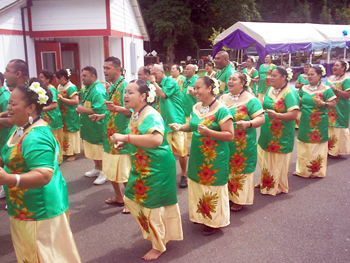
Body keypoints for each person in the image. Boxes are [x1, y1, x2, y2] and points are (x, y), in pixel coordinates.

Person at [0, 82, 81, 262]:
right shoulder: (20, 127)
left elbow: (44, 174)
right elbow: (12, 157)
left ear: (30, 108)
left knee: (45, 255)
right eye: (9, 103)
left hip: (39, 209)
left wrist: (8, 178)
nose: (8, 107)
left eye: (13, 103)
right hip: (24, 205)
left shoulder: (36, 136)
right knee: (30, 253)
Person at [111, 79, 183, 261]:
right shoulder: (136, 113)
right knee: (133, 199)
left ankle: (159, 245)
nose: (125, 95)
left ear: (143, 96)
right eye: (125, 92)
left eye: (130, 92)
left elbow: (156, 140)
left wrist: (126, 138)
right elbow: (139, 138)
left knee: (152, 206)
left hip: (156, 167)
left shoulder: (151, 114)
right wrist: (124, 143)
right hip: (143, 165)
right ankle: (159, 235)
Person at [170, 76, 234, 236]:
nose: (194, 91)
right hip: (198, 156)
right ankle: (200, 215)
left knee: (212, 187)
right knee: (198, 185)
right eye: (194, 88)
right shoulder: (197, 106)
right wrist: (180, 127)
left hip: (214, 158)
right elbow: (191, 126)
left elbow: (229, 135)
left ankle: (213, 221)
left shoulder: (222, 110)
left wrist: (210, 133)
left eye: (198, 88)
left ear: (209, 89)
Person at [219, 73, 265, 211]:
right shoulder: (222, 97)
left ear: (243, 83)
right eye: (230, 79)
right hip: (225, 142)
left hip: (242, 144)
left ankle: (239, 199)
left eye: (234, 79)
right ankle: (226, 195)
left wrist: (249, 123)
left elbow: (261, 118)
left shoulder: (251, 100)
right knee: (226, 167)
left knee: (240, 170)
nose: (230, 81)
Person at [90, 57, 131, 207]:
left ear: (118, 70)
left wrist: (116, 108)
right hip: (109, 136)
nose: (104, 71)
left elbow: (131, 111)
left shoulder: (125, 87)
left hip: (120, 136)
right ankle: (119, 197)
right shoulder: (112, 86)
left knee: (124, 172)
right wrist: (101, 115)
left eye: (108, 68)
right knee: (111, 169)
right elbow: (111, 110)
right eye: (104, 67)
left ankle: (131, 201)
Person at [256, 67, 299, 196]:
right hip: (267, 131)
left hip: (281, 133)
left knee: (277, 159)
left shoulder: (290, 93)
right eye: (271, 75)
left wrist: (278, 116)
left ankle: (277, 184)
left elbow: (293, 114)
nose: (271, 78)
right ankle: (266, 180)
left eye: (274, 76)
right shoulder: (270, 89)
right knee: (265, 157)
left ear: (284, 77)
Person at [150, 65, 188, 188]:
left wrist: (153, 83)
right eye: (151, 73)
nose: (153, 76)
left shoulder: (170, 82)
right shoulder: (157, 84)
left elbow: (163, 95)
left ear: (162, 72)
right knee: (166, 151)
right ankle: (168, 175)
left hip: (175, 121)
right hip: (164, 122)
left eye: (155, 73)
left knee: (181, 151)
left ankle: (183, 174)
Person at [294, 66, 336, 178]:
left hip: (319, 122)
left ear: (319, 76)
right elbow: (300, 101)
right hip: (305, 120)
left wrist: (323, 104)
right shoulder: (304, 88)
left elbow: (333, 104)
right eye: (309, 74)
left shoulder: (326, 89)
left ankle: (315, 170)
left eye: (312, 74)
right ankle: (302, 169)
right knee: (303, 143)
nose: (309, 76)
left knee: (316, 146)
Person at [77, 66, 107, 185]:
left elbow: (100, 109)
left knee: (98, 151)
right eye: (82, 75)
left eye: (85, 76)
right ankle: (97, 168)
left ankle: (104, 172)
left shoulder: (98, 91)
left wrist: (83, 110)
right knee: (92, 150)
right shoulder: (86, 88)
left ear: (93, 76)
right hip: (88, 126)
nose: (82, 78)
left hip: (96, 126)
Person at [39, 69, 64, 164]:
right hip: (46, 117)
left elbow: (54, 105)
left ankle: (57, 159)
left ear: (47, 79)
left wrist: (41, 109)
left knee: (55, 139)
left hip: (53, 118)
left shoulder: (52, 89)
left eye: (42, 77)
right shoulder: (43, 89)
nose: (40, 79)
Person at [326, 61, 350, 157]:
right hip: (330, 107)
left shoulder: (346, 80)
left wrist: (335, 90)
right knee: (329, 127)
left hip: (340, 108)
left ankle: (337, 150)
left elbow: (347, 95)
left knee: (338, 127)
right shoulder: (330, 78)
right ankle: (329, 149)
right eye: (334, 65)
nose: (334, 67)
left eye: (337, 65)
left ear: (343, 68)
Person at [56, 69, 81, 161]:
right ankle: (66, 151)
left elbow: (75, 101)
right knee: (64, 131)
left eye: (57, 78)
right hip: (62, 112)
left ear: (62, 77)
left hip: (70, 113)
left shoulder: (71, 87)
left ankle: (73, 153)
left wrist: (63, 100)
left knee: (71, 131)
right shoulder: (59, 86)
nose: (56, 80)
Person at [0, 72, 11, 199]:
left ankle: (9, 193)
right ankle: (4, 188)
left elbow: (11, 121)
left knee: (7, 162)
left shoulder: (5, 98)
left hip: (6, 136)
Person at [295, 63, 311, 129]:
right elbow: (296, 85)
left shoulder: (312, 77)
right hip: (301, 95)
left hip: (308, 95)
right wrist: (300, 85)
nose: (306, 68)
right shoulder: (301, 76)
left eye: (307, 67)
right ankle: (297, 124)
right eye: (305, 67)